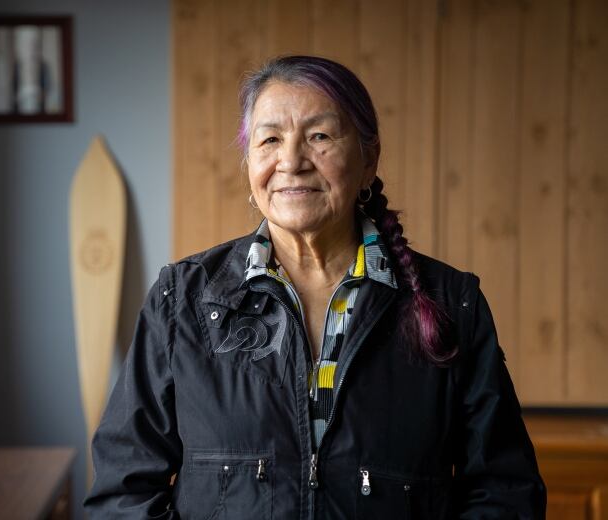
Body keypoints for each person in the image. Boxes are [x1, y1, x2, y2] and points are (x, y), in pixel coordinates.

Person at [84, 56, 546, 519]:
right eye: (269, 140)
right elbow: (122, 490)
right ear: (250, 164)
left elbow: (505, 491)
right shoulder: (183, 299)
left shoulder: (451, 302)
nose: (291, 161)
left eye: (319, 136)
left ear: (369, 160)